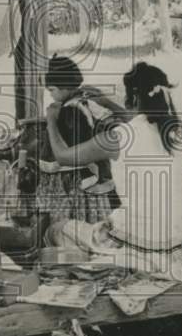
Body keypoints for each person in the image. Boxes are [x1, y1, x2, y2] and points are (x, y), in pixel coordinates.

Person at [45, 61, 182, 252]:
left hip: (148, 239)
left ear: (132, 98)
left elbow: (62, 156)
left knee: (57, 230)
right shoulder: (174, 133)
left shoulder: (117, 138)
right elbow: (140, 122)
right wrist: (105, 102)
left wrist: (51, 120)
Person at [32, 55, 122, 223]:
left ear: (64, 86)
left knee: (72, 224)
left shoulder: (69, 111)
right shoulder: (87, 100)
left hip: (76, 177)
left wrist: (51, 120)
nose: (50, 95)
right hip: (98, 170)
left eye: (52, 90)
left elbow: (65, 154)